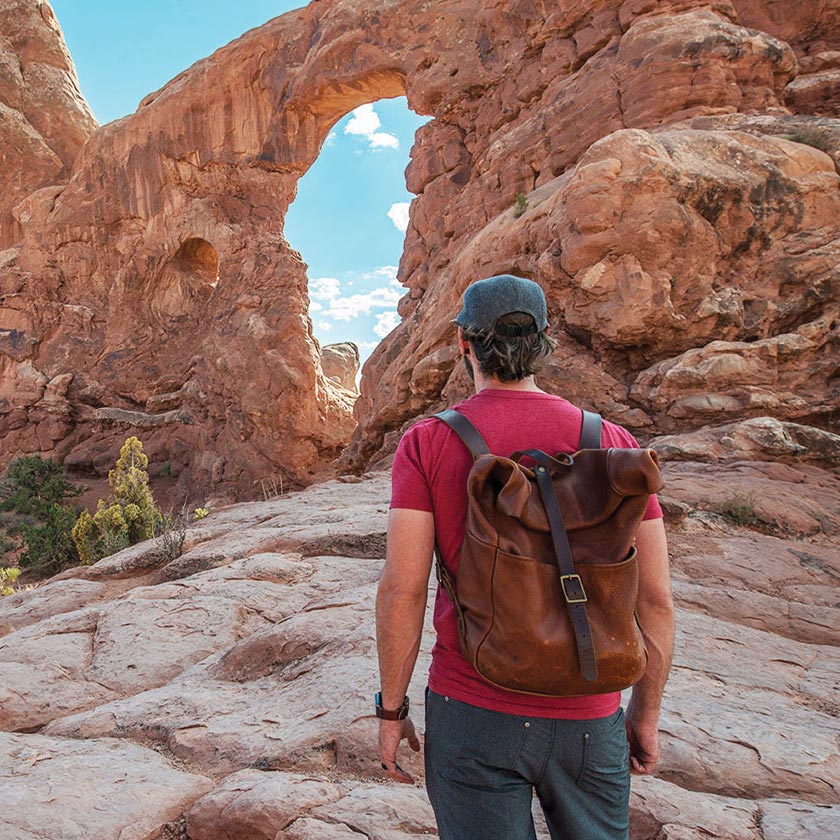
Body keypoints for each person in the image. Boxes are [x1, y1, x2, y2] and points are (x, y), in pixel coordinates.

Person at [375, 274, 674, 840]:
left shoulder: (428, 443)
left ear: (464, 343)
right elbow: (654, 597)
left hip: (472, 706)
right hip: (590, 711)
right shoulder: (614, 444)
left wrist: (391, 711)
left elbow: (404, 591)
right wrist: (646, 713)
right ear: (544, 342)